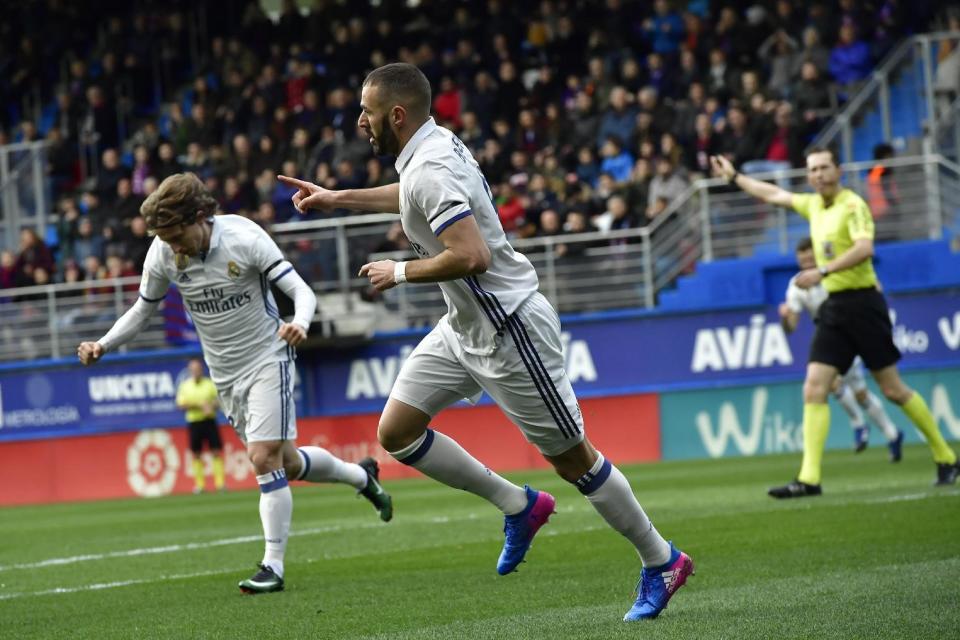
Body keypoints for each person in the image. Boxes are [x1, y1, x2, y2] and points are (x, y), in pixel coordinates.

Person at [277, 62, 693, 622]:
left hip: (511, 329)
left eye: (367, 112)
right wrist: (335, 199)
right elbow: (412, 196)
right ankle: (518, 505)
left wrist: (398, 273)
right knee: (396, 432)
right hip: (465, 324)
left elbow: (474, 256)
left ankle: (661, 558)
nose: (360, 122)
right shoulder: (431, 149)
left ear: (396, 115)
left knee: (575, 462)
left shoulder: (432, 167)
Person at [77, 172, 393, 594]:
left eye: (177, 236)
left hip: (269, 356)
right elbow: (142, 309)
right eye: (166, 240)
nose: (174, 248)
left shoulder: (244, 238)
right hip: (224, 373)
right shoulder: (164, 253)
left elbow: (302, 292)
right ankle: (362, 477)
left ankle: (272, 567)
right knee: (288, 461)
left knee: (262, 458)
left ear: (201, 216)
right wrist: (103, 343)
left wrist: (299, 323)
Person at [711, 150, 960, 497]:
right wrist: (734, 177)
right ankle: (809, 479)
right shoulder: (813, 205)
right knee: (814, 386)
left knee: (892, 390)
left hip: (864, 303)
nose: (818, 175)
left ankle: (946, 456)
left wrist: (822, 271)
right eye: (812, 169)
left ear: (838, 171)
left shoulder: (853, 205)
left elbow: (865, 248)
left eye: (824, 168)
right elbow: (773, 194)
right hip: (835, 309)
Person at [779, 237, 904, 459]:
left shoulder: (835, 274)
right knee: (855, 393)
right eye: (802, 258)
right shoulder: (796, 285)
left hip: (850, 330)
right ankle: (891, 433)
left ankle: (860, 425)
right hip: (829, 336)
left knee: (842, 386)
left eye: (810, 256)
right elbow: (792, 327)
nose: (806, 261)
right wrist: (786, 317)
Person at [176, 357, 227, 493]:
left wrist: (211, 406)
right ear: (190, 371)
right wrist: (199, 405)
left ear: (201, 370)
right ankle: (200, 485)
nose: (196, 371)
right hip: (194, 421)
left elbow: (219, 401)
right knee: (196, 453)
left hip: (209, 421)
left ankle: (220, 484)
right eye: (193, 369)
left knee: (216, 451)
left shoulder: (209, 384)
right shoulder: (185, 386)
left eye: (198, 369)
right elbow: (181, 404)